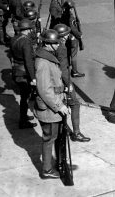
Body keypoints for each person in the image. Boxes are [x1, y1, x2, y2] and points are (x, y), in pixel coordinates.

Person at [34, 29, 69, 179]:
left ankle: (53, 164)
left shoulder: (47, 57)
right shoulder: (43, 61)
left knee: (54, 136)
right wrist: (59, 105)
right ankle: (47, 169)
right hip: (49, 108)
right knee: (49, 138)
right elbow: (44, 89)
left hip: (53, 103)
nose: (59, 45)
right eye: (57, 43)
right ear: (49, 44)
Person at [54, 24, 90, 142]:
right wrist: (68, 84)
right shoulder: (62, 48)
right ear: (63, 36)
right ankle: (76, 133)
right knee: (74, 104)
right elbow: (63, 69)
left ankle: (61, 129)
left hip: (52, 79)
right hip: (62, 80)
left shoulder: (52, 45)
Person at [10, 19, 37, 129]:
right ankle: (23, 121)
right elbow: (28, 61)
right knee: (25, 97)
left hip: (16, 70)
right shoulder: (26, 41)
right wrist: (33, 77)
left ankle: (24, 116)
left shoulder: (14, 38)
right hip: (23, 73)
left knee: (24, 96)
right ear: (28, 29)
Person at [61, 0, 85, 78]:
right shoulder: (70, 17)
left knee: (68, 53)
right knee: (73, 55)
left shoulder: (64, 14)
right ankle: (74, 71)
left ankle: (67, 68)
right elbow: (73, 28)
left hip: (67, 36)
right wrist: (79, 35)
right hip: (73, 38)